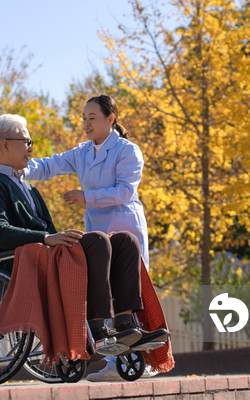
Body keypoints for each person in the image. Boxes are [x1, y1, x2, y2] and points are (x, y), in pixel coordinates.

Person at [0, 114, 167, 351]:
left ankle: (125, 324)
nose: (31, 149)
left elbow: (48, 229)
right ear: (5, 144)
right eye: (26, 142)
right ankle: (97, 328)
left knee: (125, 241)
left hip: (48, 253)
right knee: (98, 240)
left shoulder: (27, 187)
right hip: (23, 262)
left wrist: (55, 237)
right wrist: (46, 238)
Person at [23, 95, 156, 381]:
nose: (86, 123)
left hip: (124, 226)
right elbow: (50, 165)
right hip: (99, 233)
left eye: (92, 117)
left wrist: (86, 197)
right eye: (84, 117)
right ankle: (116, 361)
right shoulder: (83, 152)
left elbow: (124, 192)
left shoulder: (127, 151)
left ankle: (141, 361)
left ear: (110, 119)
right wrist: (19, 168)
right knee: (105, 291)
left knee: (130, 290)